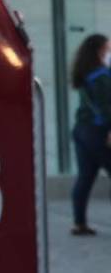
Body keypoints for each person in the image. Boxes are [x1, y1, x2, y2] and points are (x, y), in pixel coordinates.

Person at [72, 32, 111, 236]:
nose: (109, 51)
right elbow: (106, 108)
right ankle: (80, 224)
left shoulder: (85, 72)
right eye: (107, 48)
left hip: (81, 130)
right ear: (99, 50)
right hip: (99, 132)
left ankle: (79, 223)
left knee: (85, 177)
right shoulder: (101, 76)